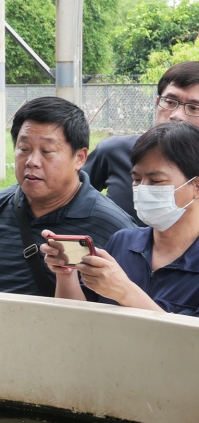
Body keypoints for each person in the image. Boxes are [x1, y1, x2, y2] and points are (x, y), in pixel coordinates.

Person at [0, 96, 136, 295]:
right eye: (23, 149)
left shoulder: (115, 228)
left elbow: (132, 311)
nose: (32, 161)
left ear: (79, 158)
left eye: (47, 151)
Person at [42, 122, 199, 316]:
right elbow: (74, 320)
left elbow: (187, 342)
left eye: (156, 181)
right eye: (136, 179)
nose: (142, 189)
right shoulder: (123, 242)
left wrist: (125, 292)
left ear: (196, 185)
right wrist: (66, 274)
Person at [85, 62, 199, 224]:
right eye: (170, 102)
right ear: (157, 101)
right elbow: (66, 197)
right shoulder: (115, 151)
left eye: (194, 108)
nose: (177, 115)